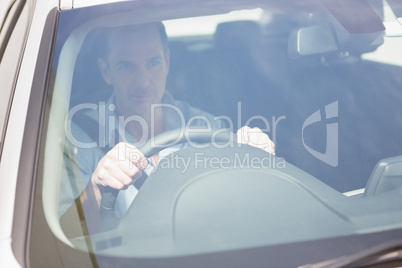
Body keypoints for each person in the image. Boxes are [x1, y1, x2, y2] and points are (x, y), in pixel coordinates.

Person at [63, 22, 275, 227]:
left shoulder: (206, 128)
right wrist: (95, 190)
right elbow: (60, 237)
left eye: (153, 63)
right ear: (106, 71)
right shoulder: (80, 137)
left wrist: (256, 163)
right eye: (126, 66)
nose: (143, 82)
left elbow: (244, 212)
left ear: (167, 62)